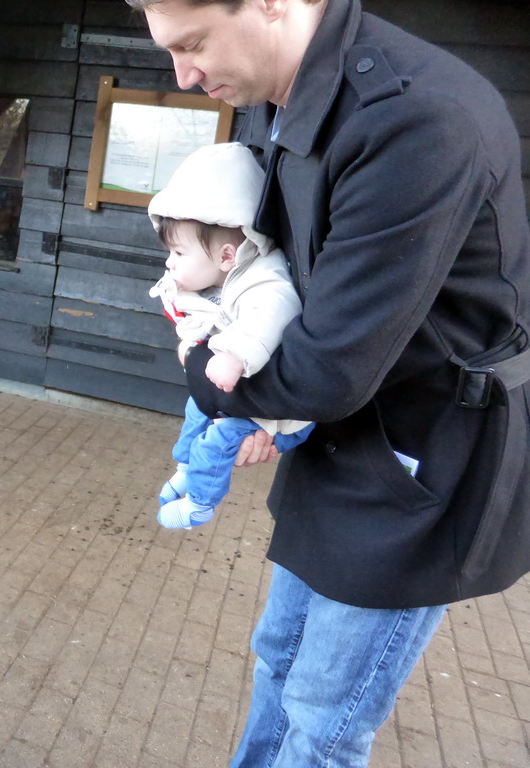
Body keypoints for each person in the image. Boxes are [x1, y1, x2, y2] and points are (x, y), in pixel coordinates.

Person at [125, 0, 530, 766]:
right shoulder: (281, 108)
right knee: (279, 658)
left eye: (194, 43)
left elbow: (323, 369)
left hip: (417, 468)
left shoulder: (416, 120)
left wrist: (202, 376)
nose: (182, 74)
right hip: (340, 443)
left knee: (325, 723)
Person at [146, 141, 313, 529]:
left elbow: (269, 312)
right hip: (237, 395)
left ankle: (200, 504)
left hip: (283, 416)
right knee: (194, 411)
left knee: (218, 440)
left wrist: (235, 354)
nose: (169, 263)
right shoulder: (218, 280)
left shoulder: (263, 277)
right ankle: (185, 467)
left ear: (225, 256)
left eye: (179, 254)